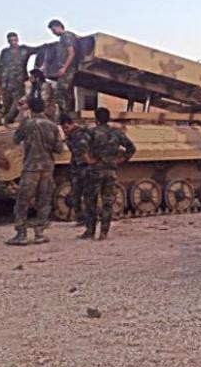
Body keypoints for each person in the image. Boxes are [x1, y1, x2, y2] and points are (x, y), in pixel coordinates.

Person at [7, 97, 64, 245]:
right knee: (44, 200)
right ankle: (39, 233)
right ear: (44, 108)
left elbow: (15, 140)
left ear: (30, 108)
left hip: (31, 167)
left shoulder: (27, 124)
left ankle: (21, 234)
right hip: (47, 167)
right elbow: (59, 149)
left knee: (23, 201)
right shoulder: (52, 126)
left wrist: (22, 115)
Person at [81, 108, 135, 241]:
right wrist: (121, 159)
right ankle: (104, 232)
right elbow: (131, 148)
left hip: (95, 171)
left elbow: (81, 147)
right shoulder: (116, 133)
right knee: (107, 202)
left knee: (90, 201)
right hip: (110, 171)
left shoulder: (91, 132)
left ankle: (90, 231)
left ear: (96, 119)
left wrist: (88, 160)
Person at [60, 113, 93, 226]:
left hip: (85, 166)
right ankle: (80, 218)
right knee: (75, 193)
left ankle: (90, 218)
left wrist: (89, 162)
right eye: (63, 128)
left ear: (72, 124)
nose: (65, 130)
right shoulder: (70, 135)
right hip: (76, 165)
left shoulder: (80, 135)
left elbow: (84, 150)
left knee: (87, 194)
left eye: (66, 127)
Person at [0, 32, 35, 124]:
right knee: (6, 104)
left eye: (14, 40)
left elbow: (39, 49)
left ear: (18, 39)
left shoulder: (24, 49)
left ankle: (7, 121)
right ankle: (4, 123)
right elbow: (0, 67)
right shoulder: (5, 52)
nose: (13, 42)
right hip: (6, 83)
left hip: (19, 83)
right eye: (11, 40)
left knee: (17, 104)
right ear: (8, 41)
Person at [43, 19, 80, 116]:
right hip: (68, 68)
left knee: (59, 92)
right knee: (67, 94)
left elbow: (71, 53)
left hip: (68, 69)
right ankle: (67, 115)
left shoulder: (66, 36)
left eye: (53, 30)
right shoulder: (68, 36)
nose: (53, 32)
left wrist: (64, 68)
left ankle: (63, 115)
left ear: (59, 26)